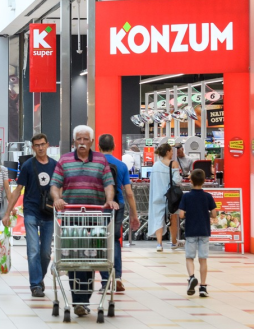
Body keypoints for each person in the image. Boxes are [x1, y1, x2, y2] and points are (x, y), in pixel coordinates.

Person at [50, 125, 118, 317]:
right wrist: (57, 198)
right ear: (74, 141)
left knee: (93, 257)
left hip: (96, 217)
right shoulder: (64, 160)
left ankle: (83, 298)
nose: (81, 142)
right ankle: (79, 300)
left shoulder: (100, 160)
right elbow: (54, 184)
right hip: (72, 217)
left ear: (91, 142)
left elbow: (108, 184)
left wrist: (109, 200)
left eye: (85, 139)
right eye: (78, 139)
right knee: (74, 259)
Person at [6, 133, 56, 297]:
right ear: (33, 147)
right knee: (33, 250)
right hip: (31, 211)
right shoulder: (28, 166)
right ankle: (35, 285)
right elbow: (18, 190)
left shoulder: (55, 166)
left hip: (48, 213)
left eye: (42, 144)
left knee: (46, 252)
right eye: (37, 145)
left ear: (47, 145)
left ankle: (39, 278)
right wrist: (8, 212)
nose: (40, 148)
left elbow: (60, 188)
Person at [96, 134, 140, 292]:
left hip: (99, 206)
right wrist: (134, 214)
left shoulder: (96, 164)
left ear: (98, 147)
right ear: (114, 147)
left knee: (101, 241)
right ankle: (118, 277)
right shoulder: (121, 166)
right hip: (117, 206)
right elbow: (129, 193)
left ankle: (105, 280)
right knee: (114, 240)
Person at [177, 168, 217, 297]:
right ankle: (203, 287)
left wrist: (189, 213)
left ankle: (192, 277)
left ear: (191, 181)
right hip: (204, 230)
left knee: (189, 257)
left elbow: (181, 214)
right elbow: (214, 213)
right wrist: (206, 213)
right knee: (203, 259)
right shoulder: (208, 196)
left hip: (191, 231)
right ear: (204, 181)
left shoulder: (186, 196)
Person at [148, 142, 181, 252]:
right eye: (171, 151)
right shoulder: (173, 164)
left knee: (158, 218)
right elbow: (177, 181)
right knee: (172, 217)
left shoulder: (155, 165)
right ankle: (174, 242)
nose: (172, 153)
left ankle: (159, 244)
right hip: (170, 196)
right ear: (167, 152)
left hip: (157, 195)